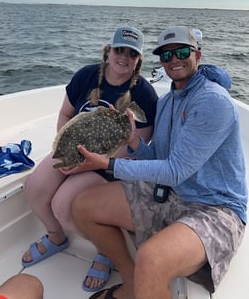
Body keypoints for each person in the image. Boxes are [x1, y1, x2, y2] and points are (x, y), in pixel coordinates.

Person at [71, 25, 247, 299]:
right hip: (172, 194)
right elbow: (160, 159)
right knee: (83, 207)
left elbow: (174, 171)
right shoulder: (166, 102)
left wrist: (108, 164)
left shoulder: (213, 101)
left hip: (216, 208)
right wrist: (134, 144)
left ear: (197, 55)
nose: (174, 59)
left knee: (151, 261)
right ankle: (130, 282)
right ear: (160, 62)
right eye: (166, 55)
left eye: (181, 52)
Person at [21, 25, 158, 293]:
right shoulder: (86, 76)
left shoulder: (144, 94)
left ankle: (104, 251)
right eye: (120, 50)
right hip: (73, 149)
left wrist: (93, 162)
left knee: (64, 204)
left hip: (108, 162)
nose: (124, 57)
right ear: (109, 51)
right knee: (36, 187)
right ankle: (56, 236)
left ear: (138, 59)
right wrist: (68, 149)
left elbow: (138, 144)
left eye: (132, 54)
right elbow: (65, 115)